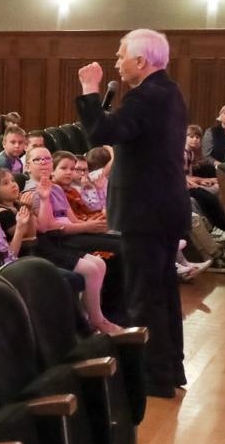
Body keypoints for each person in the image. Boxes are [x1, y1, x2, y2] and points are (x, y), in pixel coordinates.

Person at [77, 29, 190, 397]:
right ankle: (170, 368)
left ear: (141, 61)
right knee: (163, 291)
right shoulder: (168, 92)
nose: (116, 62)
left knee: (144, 296)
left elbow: (101, 132)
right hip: (163, 207)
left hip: (146, 210)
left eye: (121, 55)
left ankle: (151, 378)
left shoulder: (147, 97)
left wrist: (90, 89)